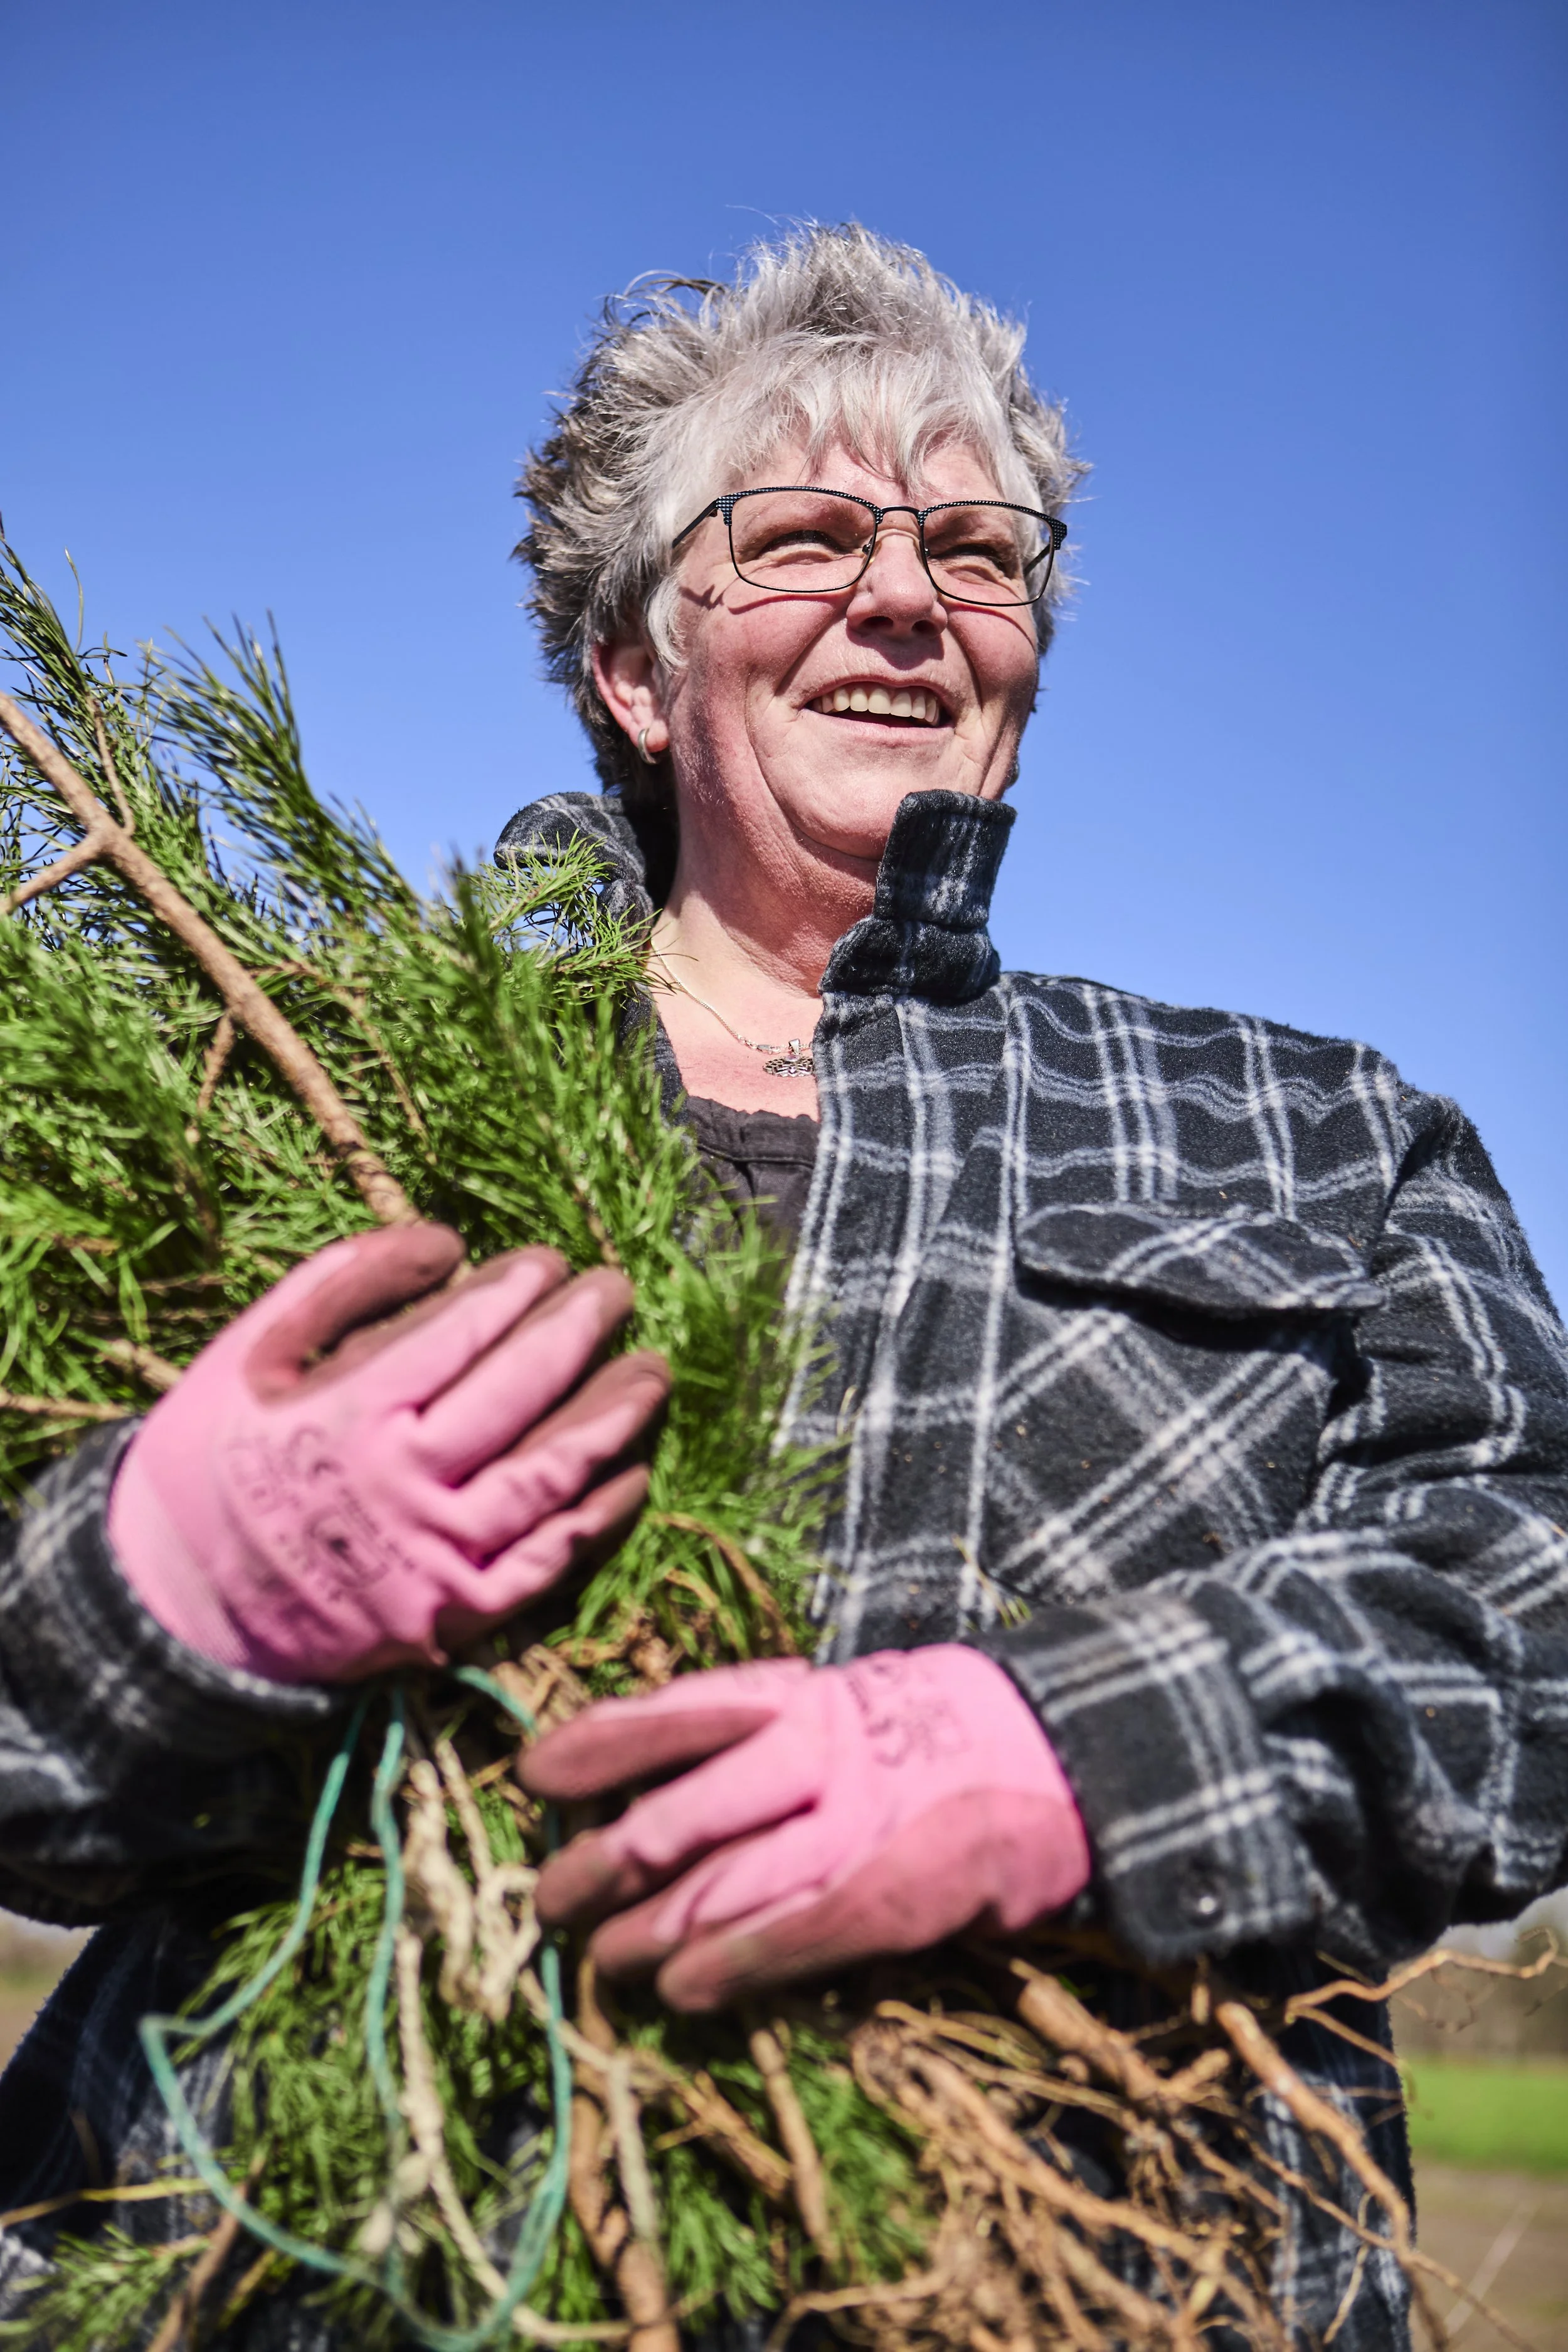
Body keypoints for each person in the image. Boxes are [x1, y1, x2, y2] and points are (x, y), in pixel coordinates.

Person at [1, 224, 1565, 2351]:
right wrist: (150, 1584)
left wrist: (1062, 1753)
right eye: (810, 532)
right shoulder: (290, 1085)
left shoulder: (1310, 1136)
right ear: (640, 671)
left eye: (978, 552)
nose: (907, 595)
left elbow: (1534, 1618)